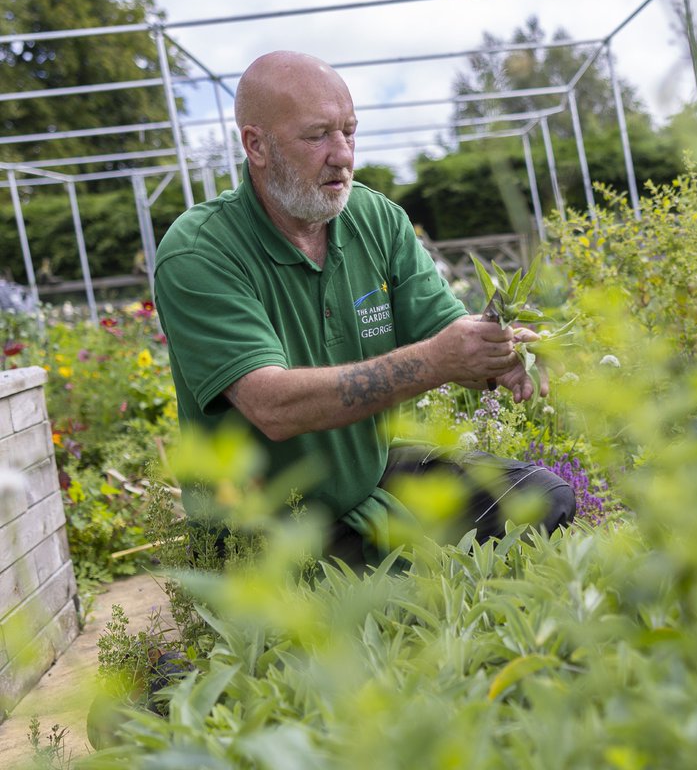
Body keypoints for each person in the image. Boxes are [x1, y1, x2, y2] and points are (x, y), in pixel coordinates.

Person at [153, 51, 575, 566]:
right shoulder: (201, 250)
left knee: (541, 497)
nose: (344, 156)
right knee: (382, 603)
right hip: (262, 527)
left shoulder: (376, 220)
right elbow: (272, 407)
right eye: (317, 136)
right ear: (256, 145)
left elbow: (448, 332)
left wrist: (498, 354)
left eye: (349, 132)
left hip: (366, 483)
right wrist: (439, 360)